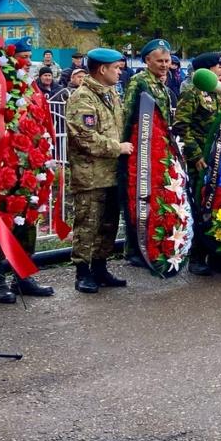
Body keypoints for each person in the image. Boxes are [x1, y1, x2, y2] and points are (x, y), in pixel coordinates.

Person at [0, 37, 56, 303]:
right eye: (20, 56)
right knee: (2, 223)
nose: (25, 61)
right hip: (3, 170)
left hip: (30, 168)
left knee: (27, 224)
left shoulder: (32, 90)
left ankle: (22, 276)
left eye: (27, 56)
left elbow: (42, 124)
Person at [65, 48, 132, 293]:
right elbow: (84, 137)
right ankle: (82, 272)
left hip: (112, 172)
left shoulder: (111, 94)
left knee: (108, 224)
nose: (119, 72)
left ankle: (100, 267)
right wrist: (118, 148)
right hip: (91, 175)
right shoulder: (83, 97)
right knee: (87, 224)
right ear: (102, 69)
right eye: (116, 68)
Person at [173, 51, 221, 275]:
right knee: (201, 206)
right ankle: (197, 257)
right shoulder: (191, 93)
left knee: (218, 206)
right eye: (218, 66)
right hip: (201, 159)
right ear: (205, 70)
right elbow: (181, 125)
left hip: (218, 157)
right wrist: (195, 154)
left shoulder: (217, 92)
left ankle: (219, 256)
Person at [124, 38, 174, 123]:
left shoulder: (160, 82)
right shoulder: (138, 81)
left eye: (167, 61)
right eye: (160, 61)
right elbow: (129, 115)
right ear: (148, 60)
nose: (164, 65)